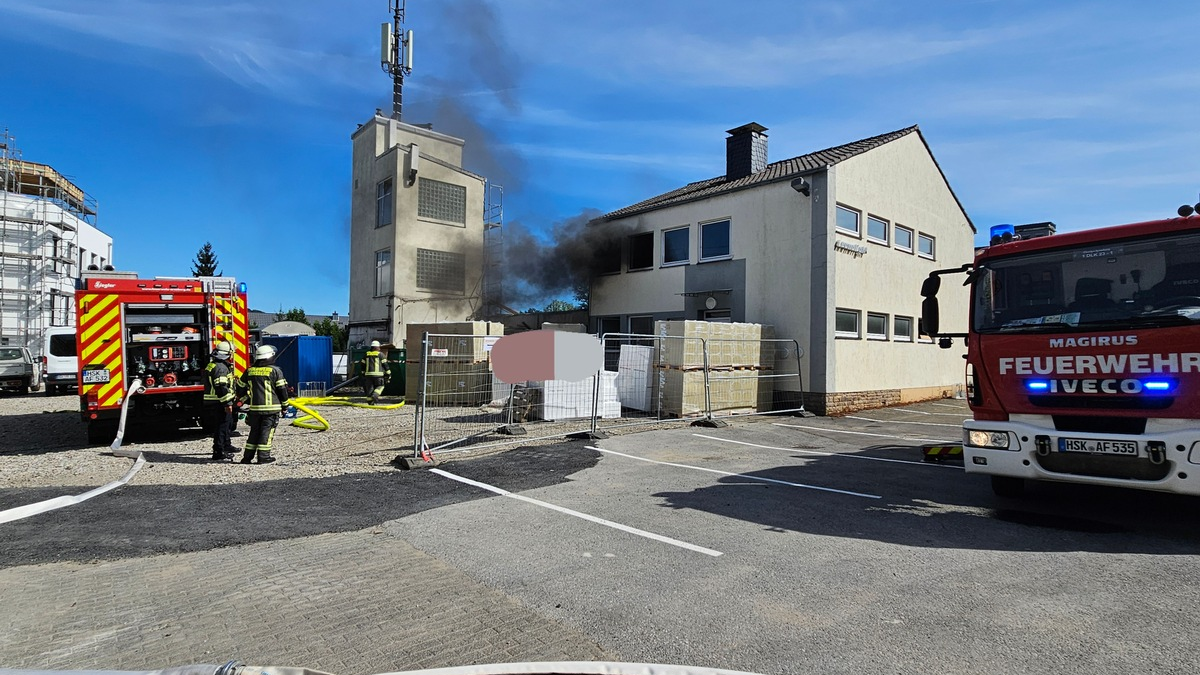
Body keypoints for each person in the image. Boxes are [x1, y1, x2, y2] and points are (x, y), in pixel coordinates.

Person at [236, 344, 290, 465]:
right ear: (270, 356)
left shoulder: (249, 371)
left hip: (255, 409)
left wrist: (247, 399)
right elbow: (282, 390)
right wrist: (285, 406)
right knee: (267, 432)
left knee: (254, 432)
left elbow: (239, 388)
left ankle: (247, 458)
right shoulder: (275, 371)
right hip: (271, 409)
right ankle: (263, 457)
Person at [203, 341, 237, 461]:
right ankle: (219, 451)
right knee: (222, 426)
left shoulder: (213, 365)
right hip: (219, 401)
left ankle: (226, 445)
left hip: (216, 401)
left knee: (227, 424)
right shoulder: (221, 368)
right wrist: (227, 403)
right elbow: (221, 387)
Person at [363, 340, 386, 405]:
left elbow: (362, 364)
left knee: (370, 388)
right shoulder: (380, 354)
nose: (379, 349)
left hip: (368, 375)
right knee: (380, 386)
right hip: (378, 375)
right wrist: (388, 373)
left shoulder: (366, 354)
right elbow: (385, 365)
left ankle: (370, 402)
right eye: (379, 347)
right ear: (376, 347)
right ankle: (375, 395)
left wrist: (363, 372)